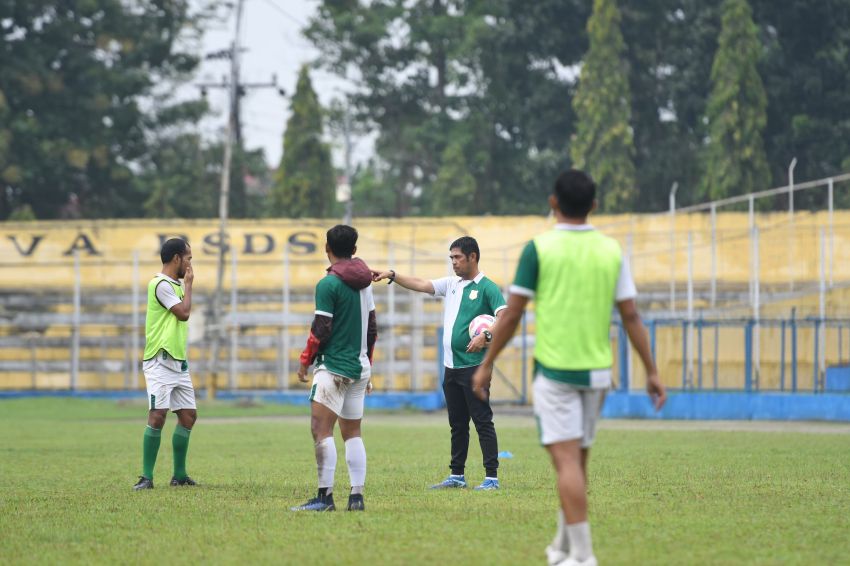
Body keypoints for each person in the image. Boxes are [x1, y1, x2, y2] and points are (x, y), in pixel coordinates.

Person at [471, 170, 667, 566]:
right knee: (576, 463)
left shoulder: (539, 249)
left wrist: (487, 362)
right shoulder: (611, 251)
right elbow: (631, 316)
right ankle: (562, 547)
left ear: (553, 202)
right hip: (597, 374)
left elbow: (510, 317)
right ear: (594, 205)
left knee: (566, 464)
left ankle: (583, 555)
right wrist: (652, 370)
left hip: (556, 372)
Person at [372, 236, 506, 491]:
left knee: (482, 420)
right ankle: (457, 475)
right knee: (457, 422)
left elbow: (504, 315)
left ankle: (491, 477)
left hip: (474, 366)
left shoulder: (487, 287)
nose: (453, 262)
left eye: (457, 257)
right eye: (451, 258)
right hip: (451, 366)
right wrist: (392, 274)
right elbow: (421, 284)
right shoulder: (452, 284)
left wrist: (486, 335)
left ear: (473, 257)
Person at [291, 225, 377, 512]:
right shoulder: (365, 282)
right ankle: (356, 497)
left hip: (334, 368)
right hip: (359, 368)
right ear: (354, 250)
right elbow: (372, 329)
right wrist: (369, 365)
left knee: (320, 429)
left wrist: (305, 360)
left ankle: (325, 497)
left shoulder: (327, 284)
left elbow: (321, 328)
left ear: (326, 248)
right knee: (352, 432)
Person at [133, 238, 197, 490]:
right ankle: (146, 477)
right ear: (176, 259)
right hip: (159, 360)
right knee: (158, 415)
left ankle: (179, 476)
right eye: (189, 258)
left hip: (178, 361)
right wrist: (190, 286)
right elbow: (183, 313)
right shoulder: (160, 284)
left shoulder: (174, 285)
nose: (191, 264)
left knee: (188, 416)